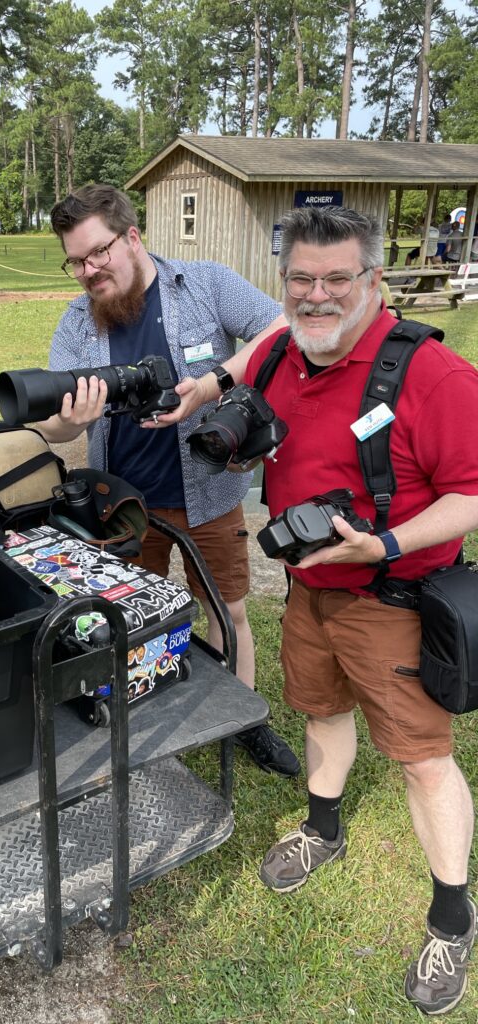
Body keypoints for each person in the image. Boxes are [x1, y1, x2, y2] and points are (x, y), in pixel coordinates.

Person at [242, 205, 478, 1015]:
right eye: (301, 280)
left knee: (421, 759)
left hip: (390, 598)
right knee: (318, 712)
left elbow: (474, 492)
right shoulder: (283, 351)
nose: (317, 295)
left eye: (337, 278)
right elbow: (239, 370)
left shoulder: (433, 376)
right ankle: (323, 828)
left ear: (373, 280)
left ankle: (452, 919)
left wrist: (384, 544)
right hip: (308, 590)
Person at [36, 183, 299, 778]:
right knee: (130, 623)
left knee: (227, 611)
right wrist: (66, 421)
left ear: (132, 236)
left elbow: (281, 329)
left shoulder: (204, 283)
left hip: (208, 490)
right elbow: (51, 426)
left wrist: (214, 385)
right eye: (75, 261)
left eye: (98, 252)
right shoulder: (78, 318)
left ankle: (242, 720)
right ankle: (148, 728)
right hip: (124, 506)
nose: (88, 270)